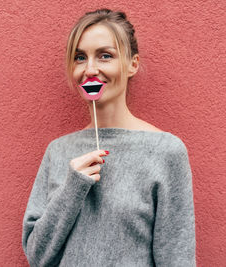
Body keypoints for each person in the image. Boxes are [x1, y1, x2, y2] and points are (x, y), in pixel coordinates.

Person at [22, 9, 196, 266]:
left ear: (132, 64)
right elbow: (37, 256)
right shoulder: (58, 151)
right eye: (80, 57)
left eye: (105, 56)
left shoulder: (165, 151)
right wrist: (73, 188)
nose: (90, 69)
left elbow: (176, 259)